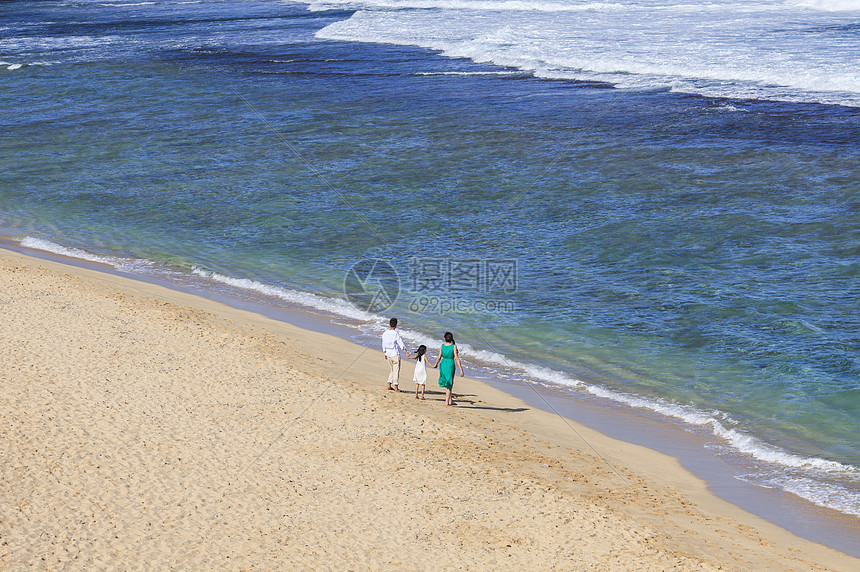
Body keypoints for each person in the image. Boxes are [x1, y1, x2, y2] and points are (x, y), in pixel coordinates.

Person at [431, 331, 464, 406]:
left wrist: (435, 364)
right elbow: (457, 358)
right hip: (450, 364)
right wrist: (461, 369)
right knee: (450, 383)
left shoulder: (442, 346)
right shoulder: (453, 346)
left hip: (443, 364)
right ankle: (446, 402)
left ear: (445, 338)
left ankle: (450, 401)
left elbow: (439, 357)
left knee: (449, 382)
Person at [381, 317, 407, 392]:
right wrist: (406, 352)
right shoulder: (395, 333)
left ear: (389, 324)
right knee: (396, 370)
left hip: (388, 354)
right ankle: (396, 387)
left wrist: (385, 352)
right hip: (395, 354)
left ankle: (389, 384)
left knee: (392, 370)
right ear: (396, 325)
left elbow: (383, 344)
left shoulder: (385, 333)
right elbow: (400, 343)